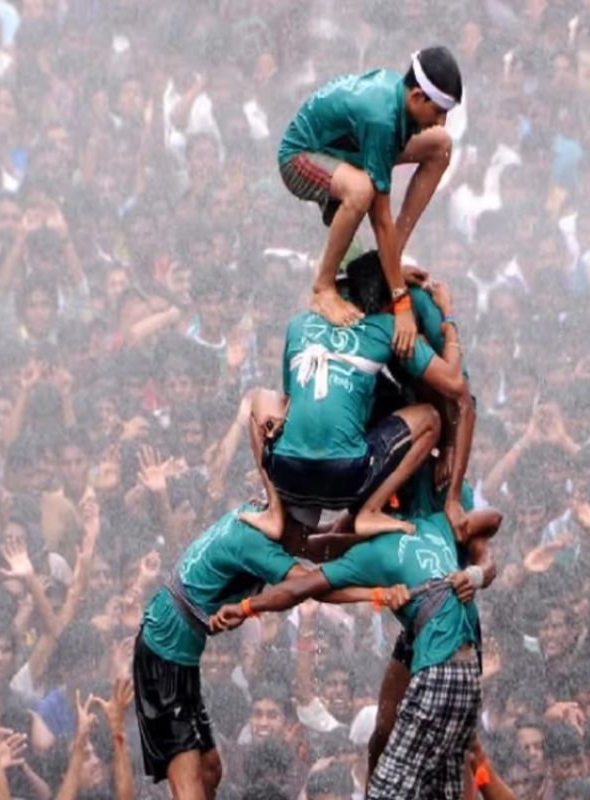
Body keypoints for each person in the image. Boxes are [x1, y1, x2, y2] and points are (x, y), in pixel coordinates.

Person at [210, 509, 489, 799]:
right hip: (468, 671)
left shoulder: (373, 552)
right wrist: (477, 573)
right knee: (442, 789)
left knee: (385, 791)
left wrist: (245, 607)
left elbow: (301, 585)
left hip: (440, 672)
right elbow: (492, 520)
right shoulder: (433, 522)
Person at [133, 504, 397, 800]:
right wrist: (376, 594)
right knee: (189, 784)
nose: (304, 539)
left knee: (210, 770)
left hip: (181, 652)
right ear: (287, 524)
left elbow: (318, 548)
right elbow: (312, 585)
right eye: (302, 531)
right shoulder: (255, 542)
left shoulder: (257, 512)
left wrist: (376, 535)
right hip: (164, 650)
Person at [242, 250, 466, 539]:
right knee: (431, 418)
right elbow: (454, 382)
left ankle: (274, 510)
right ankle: (370, 511)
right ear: (386, 304)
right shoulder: (387, 327)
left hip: (287, 474)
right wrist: (448, 318)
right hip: (347, 480)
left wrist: (394, 275)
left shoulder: (300, 324)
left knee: (260, 398)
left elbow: (289, 399)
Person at [279, 45, 461, 339]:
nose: (441, 121)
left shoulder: (401, 98)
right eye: (438, 112)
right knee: (362, 191)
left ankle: (384, 266)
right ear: (416, 96)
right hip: (301, 157)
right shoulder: (381, 120)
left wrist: (391, 273)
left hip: (346, 152)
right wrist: (401, 303)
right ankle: (323, 287)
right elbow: (380, 220)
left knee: (441, 145)